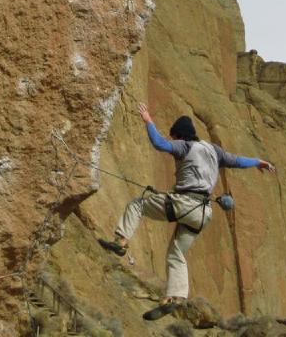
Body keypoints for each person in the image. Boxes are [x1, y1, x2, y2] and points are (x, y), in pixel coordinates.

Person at [99, 103, 275, 314]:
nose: (174, 140)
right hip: (203, 213)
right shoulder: (214, 150)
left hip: (184, 204)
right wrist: (258, 162)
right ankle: (174, 297)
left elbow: (159, 143)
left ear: (180, 135)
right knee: (176, 254)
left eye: (175, 136)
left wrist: (148, 120)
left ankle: (121, 241)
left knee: (137, 205)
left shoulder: (184, 146)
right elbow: (237, 161)